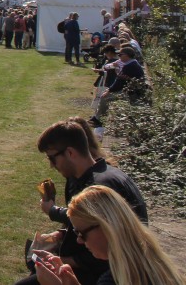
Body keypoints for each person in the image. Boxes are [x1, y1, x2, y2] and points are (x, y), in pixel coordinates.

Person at [16, 119, 147, 285]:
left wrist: (63, 260)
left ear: (70, 153)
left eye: (52, 158)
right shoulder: (98, 174)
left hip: (112, 274)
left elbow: (103, 255)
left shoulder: (99, 188)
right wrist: (62, 234)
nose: (51, 165)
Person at [33, 185, 185, 285]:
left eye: (81, 233)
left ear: (107, 227)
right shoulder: (151, 262)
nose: (79, 240)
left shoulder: (116, 278)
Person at [95, 48, 146, 117]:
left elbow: (119, 82)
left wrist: (109, 90)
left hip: (131, 93)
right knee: (105, 92)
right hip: (131, 89)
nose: (119, 56)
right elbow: (120, 80)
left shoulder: (129, 66)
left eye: (120, 54)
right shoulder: (133, 63)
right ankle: (98, 117)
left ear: (127, 55)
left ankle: (99, 119)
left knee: (104, 97)